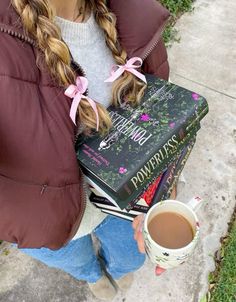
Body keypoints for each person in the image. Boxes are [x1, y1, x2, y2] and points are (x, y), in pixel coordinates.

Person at [0, 0, 172, 300]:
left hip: (124, 203)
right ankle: (93, 276)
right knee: (77, 262)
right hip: (46, 224)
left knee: (130, 258)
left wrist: (161, 191)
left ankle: (114, 271)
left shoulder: (135, 12)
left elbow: (162, 118)